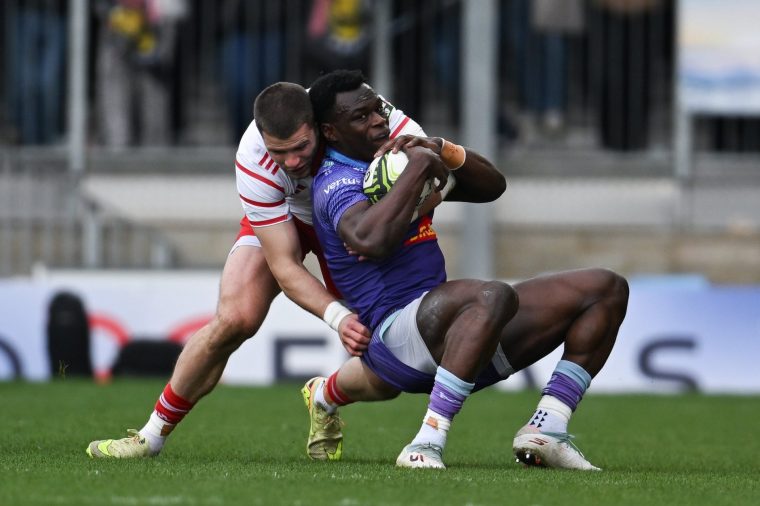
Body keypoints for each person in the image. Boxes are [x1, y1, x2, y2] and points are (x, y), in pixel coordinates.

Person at [305, 70, 630, 469]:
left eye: (379, 110)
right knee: (492, 294)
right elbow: (372, 241)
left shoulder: (400, 157)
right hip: (396, 336)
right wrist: (417, 169)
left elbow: (492, 187)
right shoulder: (335, 181)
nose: (377, 120)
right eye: (360, 116)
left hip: (454, 336)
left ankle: (549, 428)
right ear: (331, 132)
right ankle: (426, 442)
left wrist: (441, 149)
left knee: (605, 288)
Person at [85, 80, 426, 459]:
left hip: (354, 220)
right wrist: (340, 319)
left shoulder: (355, 109)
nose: (293, 162)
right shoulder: (253, 157)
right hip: (288, 219)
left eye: (301, 148)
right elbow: (284, 265)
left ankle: (324, 395)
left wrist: (385, 225)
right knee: (235, 318)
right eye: (281, 153)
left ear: (319, 124)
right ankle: (150, 437)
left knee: (392, 363)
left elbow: (431, 170)